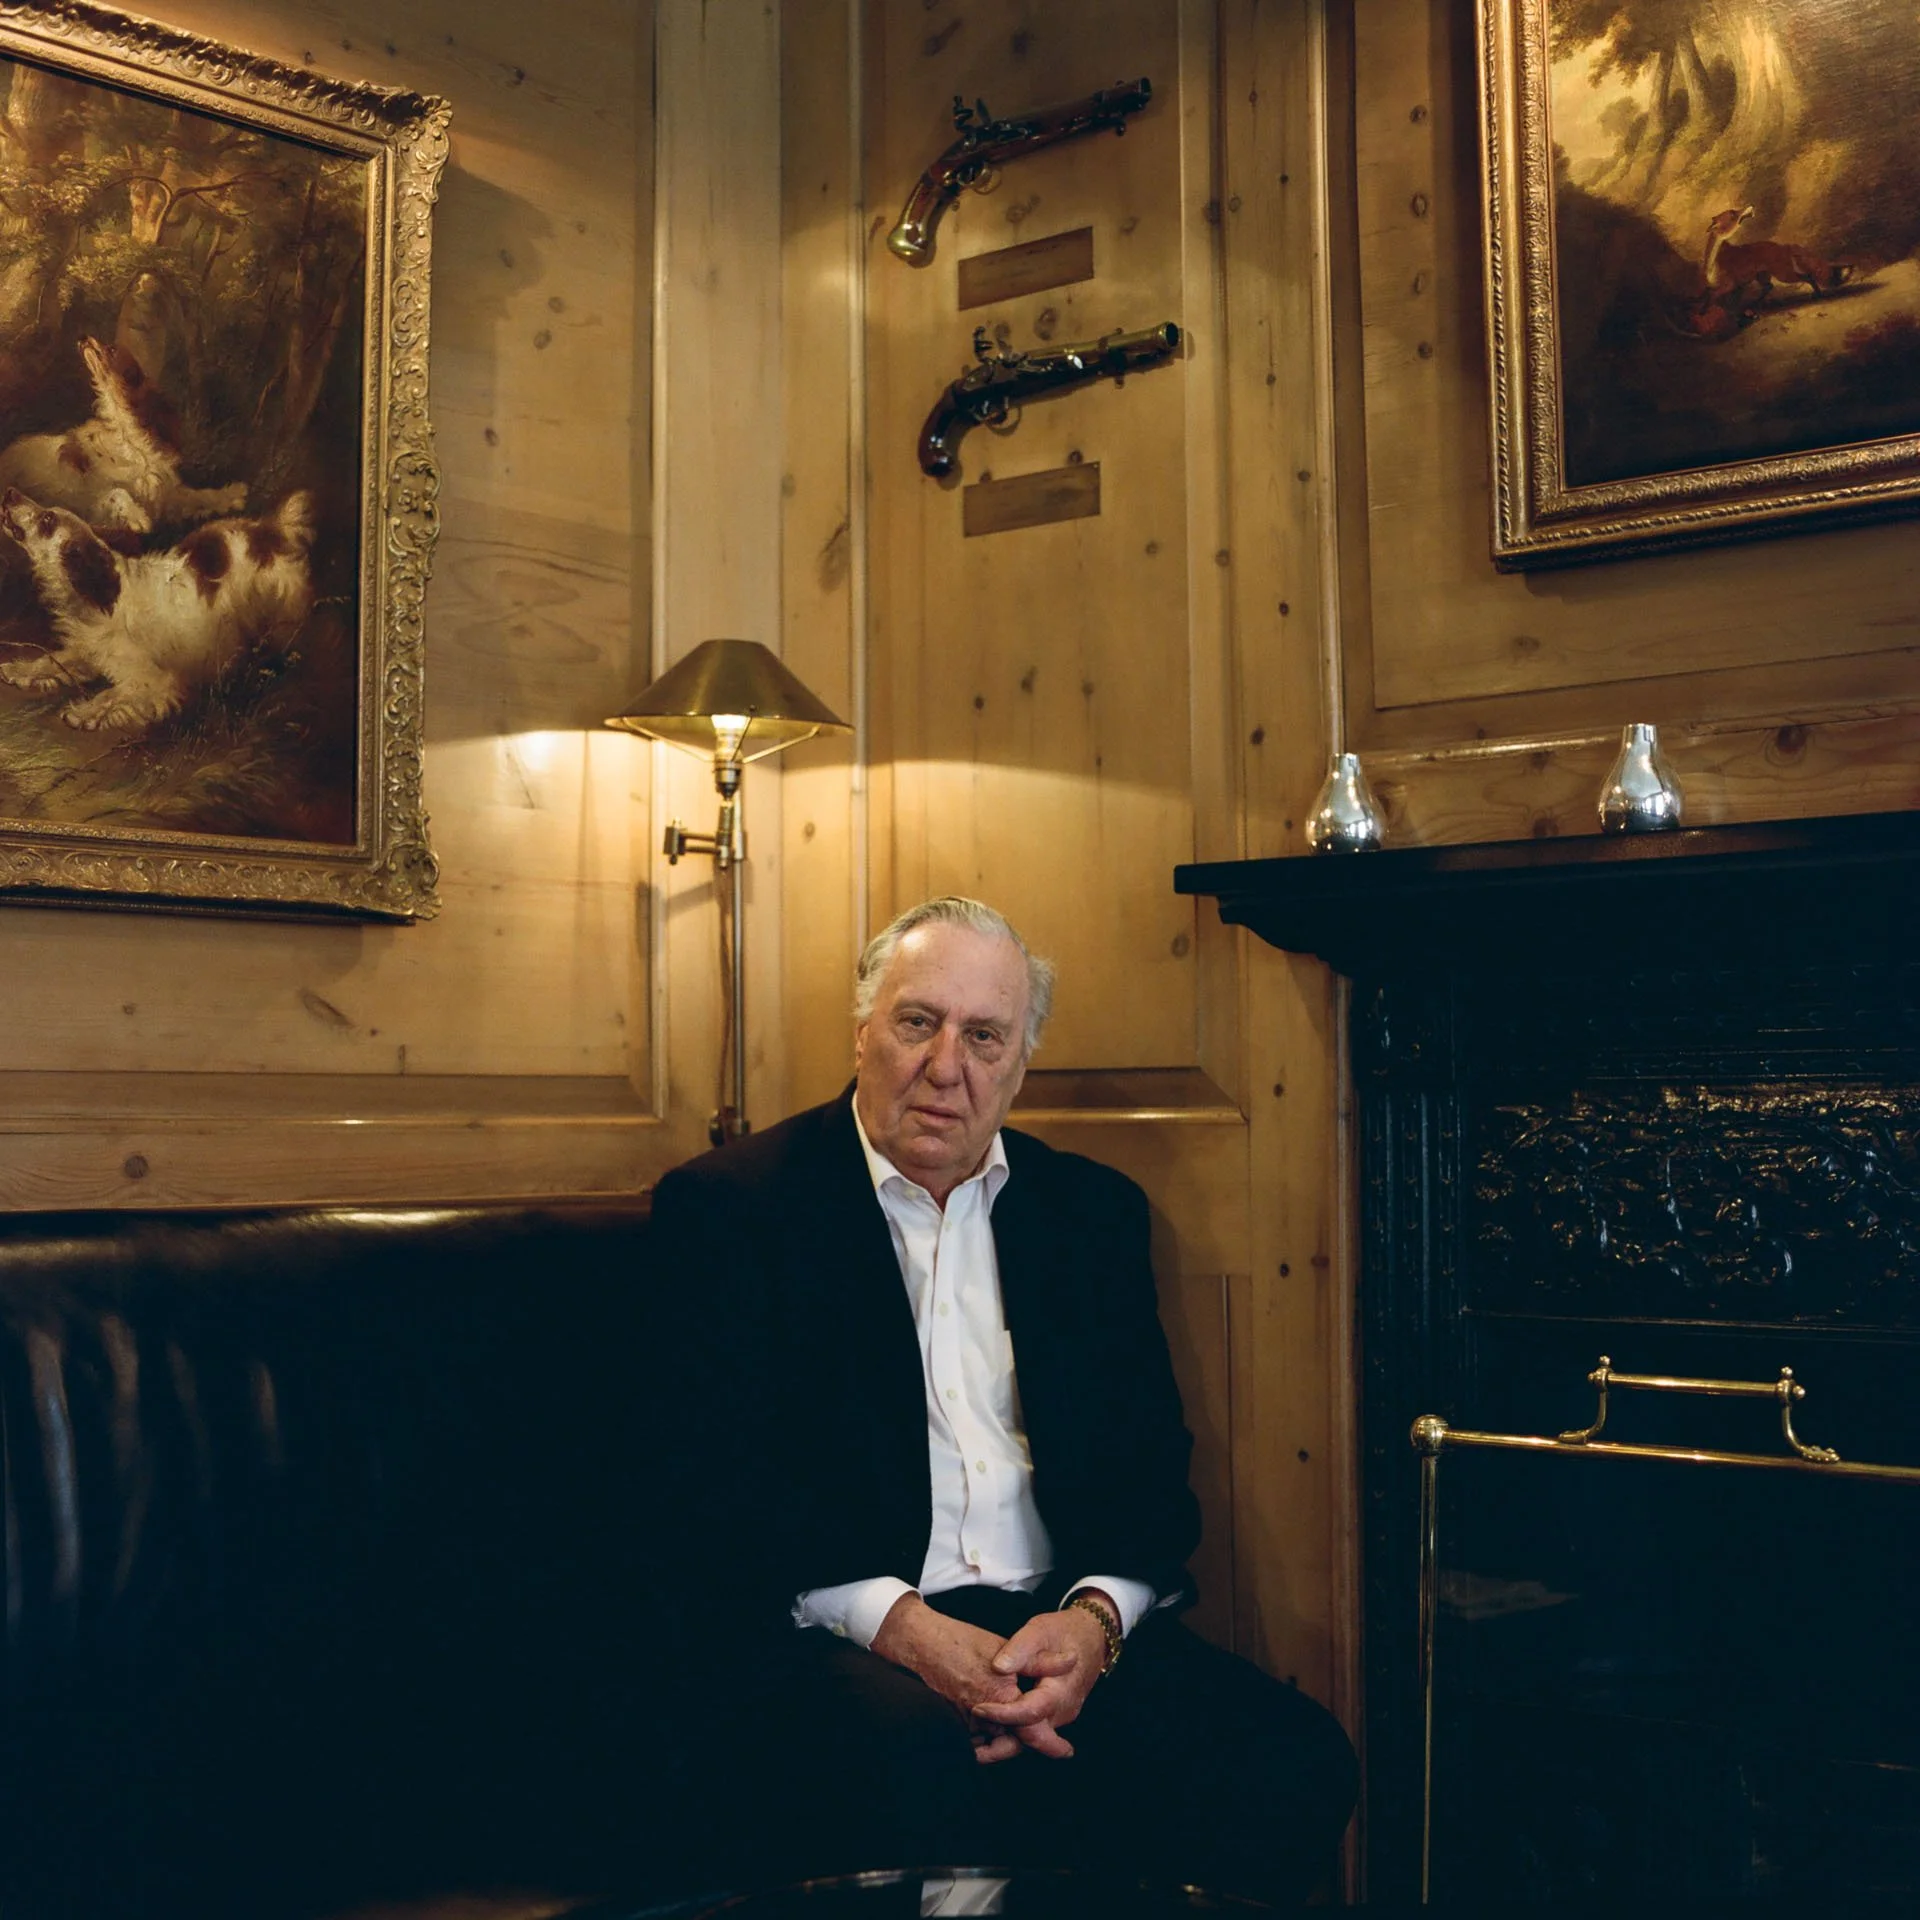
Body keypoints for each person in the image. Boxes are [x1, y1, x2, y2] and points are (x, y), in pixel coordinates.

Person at [651, 897, 1356, 1904]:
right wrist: (918, 1638)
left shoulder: (1090, 1215)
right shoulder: (735, 1210)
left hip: (1055, 1621)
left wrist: (1095, 1629)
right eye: (916, 1022)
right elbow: (716, 1489)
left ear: (1022, 1059)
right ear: (861, 1030)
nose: (947, 1066)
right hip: (847, 1627)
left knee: (1295, 1759)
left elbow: (1153, 1486)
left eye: (984, 1036)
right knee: (912, 1772)